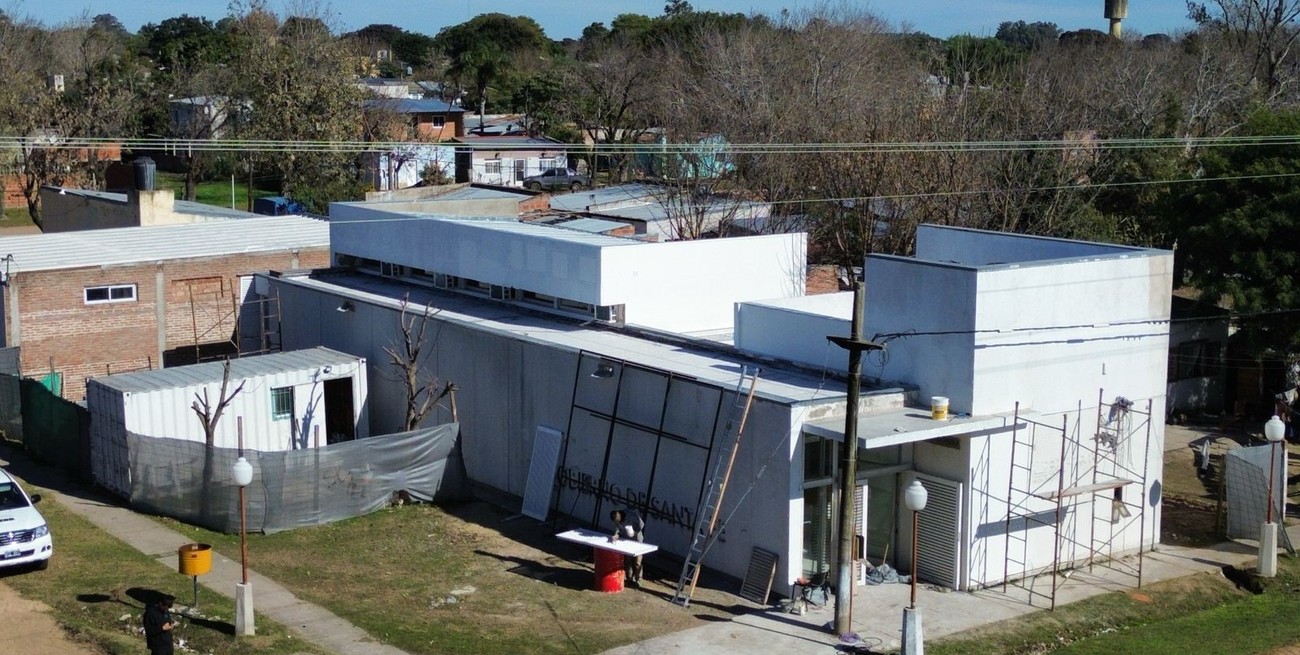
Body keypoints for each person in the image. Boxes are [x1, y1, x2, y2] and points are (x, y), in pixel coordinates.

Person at [609, 508, 646, 586]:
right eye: (616, 521)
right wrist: (616, 535)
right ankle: (629, 579)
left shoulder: (630, 515)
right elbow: (618, 530)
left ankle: (638, 579)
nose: (617, 522)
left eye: (617, 520)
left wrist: (635, 532)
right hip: (627, 541)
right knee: (627, 561)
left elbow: (641, 524)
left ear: (618, 514)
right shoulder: (617, 522)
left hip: (637, 540)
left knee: (637, 561)